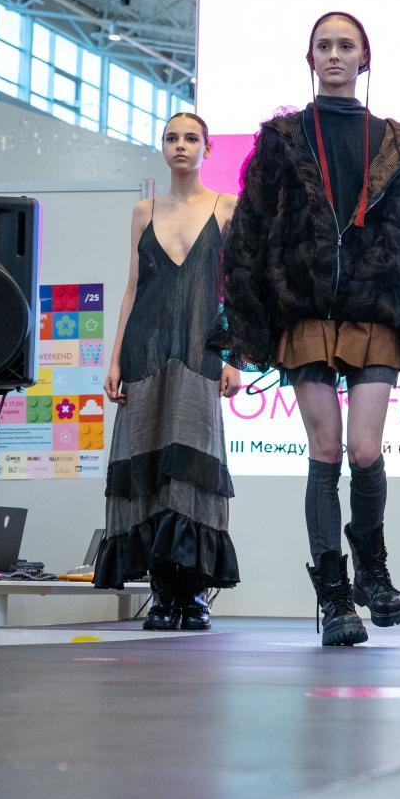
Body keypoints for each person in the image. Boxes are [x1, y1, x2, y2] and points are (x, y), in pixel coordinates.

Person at [219, 10, 400, 647]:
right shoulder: (282, 138)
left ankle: (373, 573)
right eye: (324, 46)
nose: (334, 55)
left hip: (374, 309)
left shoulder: (397, 143)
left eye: (346, 46)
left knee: (364, 449)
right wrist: (246, 318)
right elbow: (251, 230)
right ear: (310, 59)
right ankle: (333, 594)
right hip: (305, 309)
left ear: (365, 58)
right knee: (325, 451)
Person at [96, 111, 241, 630]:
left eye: (191, 138)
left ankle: (193, 594)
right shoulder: (144, 211)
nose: (181, 145)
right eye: (172, 138)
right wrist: (115, 358)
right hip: (145, 352)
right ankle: (162, 592)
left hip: (201, 351)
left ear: (207, 148)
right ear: (162, 147)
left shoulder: (227, 207)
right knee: (149, 468)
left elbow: (237, 289)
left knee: (192, 469)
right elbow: (133, 288)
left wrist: (236, 355)